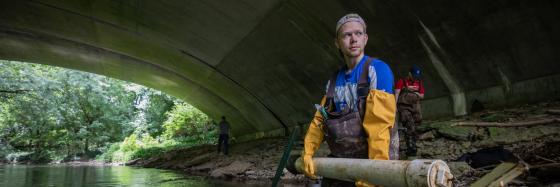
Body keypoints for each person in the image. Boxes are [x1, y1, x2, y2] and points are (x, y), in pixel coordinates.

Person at [302, 13, 397, 187]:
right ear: (337, 42)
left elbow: (379, 126)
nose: (353, 39)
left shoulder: (377, 70)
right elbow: (320, 121)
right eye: (347, 35)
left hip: (376, 160)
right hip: (343, 163)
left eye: (358, 33)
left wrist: (376, 173)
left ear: (365, 38)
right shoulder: (332, 82)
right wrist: (307, 153)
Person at [395, 66, 424, 156]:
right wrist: (394, 107)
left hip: (415, 107)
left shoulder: (419, 82)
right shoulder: (401, 82)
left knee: (415, 126)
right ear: (409, 73)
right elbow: (396, 94)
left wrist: (415, 92)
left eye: (417, 76)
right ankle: (411, 148)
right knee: (409, 125)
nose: (416, 77)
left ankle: (413, 144)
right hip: (404, 107)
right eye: (414, 75)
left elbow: (422, 96)